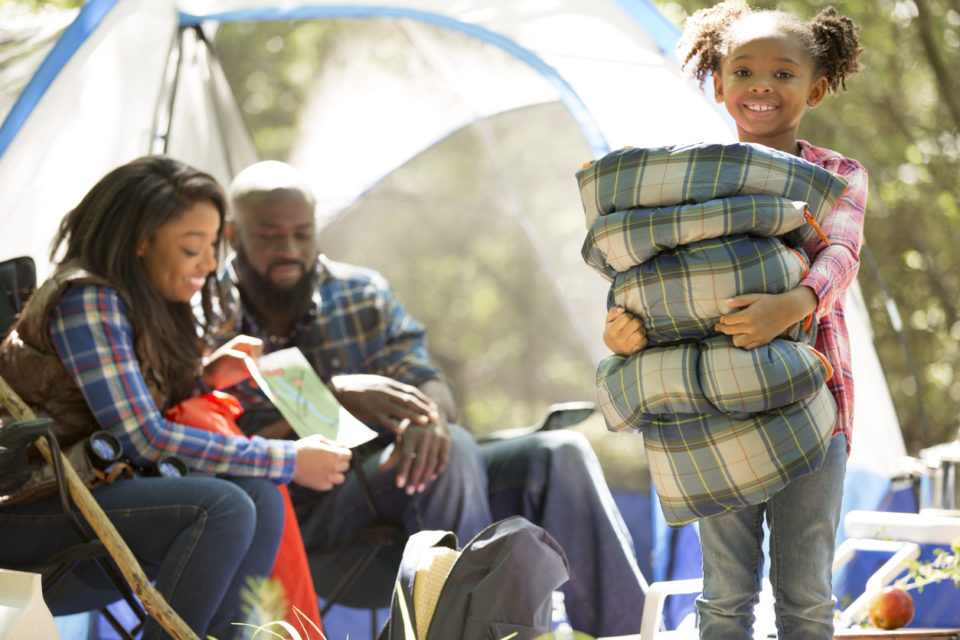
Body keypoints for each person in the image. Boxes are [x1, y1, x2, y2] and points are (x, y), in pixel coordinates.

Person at [213, 159, 650, 637]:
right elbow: (219, 439)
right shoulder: (211, 313)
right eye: (271, 236)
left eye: (302, 233)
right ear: (233, 235)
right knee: (453, 452)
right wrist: (334, 398)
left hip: (405, 482)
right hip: (303, 509)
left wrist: (430, 416)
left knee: (558, 454)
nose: (290, 250)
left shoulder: (359, 293)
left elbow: (428, 380)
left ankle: (627, 632)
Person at [0, 156, 351, 640]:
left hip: (87, 495)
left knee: (261, 498)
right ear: (140, 242)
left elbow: (123, 410)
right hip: (29, 511)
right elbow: (143, 438)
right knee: (222, 506)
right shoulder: (86, 299)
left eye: (212, 246)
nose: (209, 265)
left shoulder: (141, 301)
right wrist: (288, 458)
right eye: (193, 248)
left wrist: (204, 380)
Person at [604, 2, 866, 638]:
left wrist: (793, 305)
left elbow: (840, 252)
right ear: (718, 84)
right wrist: (620, 327)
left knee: (805, 595)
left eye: (783, 74)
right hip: (712, 418)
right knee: (725, 595)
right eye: (744, 71)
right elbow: (654, 269)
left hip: (816, 408)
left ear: (816, 88)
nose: (761, 87)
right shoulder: (693, 177)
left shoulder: (838, 174)